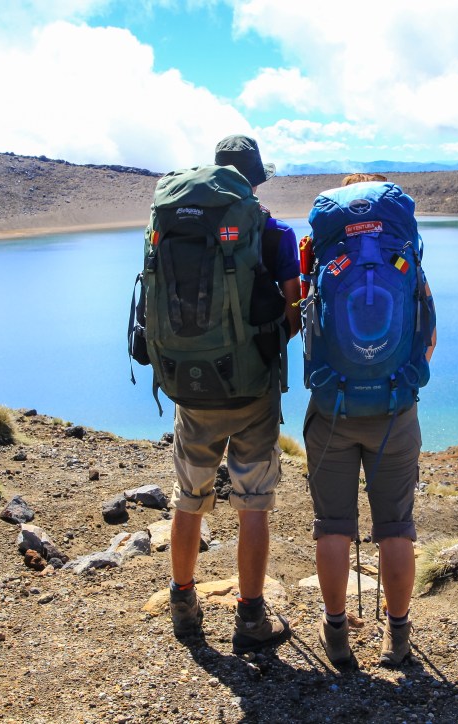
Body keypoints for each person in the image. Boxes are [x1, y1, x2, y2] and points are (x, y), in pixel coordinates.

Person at [167, 135, 301, 654]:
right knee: (253, 505)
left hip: (192, 390)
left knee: (188, 498)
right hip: (252, 391)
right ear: (257, 178)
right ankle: (250, 618)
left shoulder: (179, 222)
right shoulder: (276, 233)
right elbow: (293, 313)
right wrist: (262, 345)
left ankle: (183, 604)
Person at [303, 174, 436, 668]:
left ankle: (335, 633)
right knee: (395, 528)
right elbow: (428, 336)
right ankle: (397, 637)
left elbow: (307, 327)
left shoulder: (326, 258)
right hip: (395, 412)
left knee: (333, 526)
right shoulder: (405, 261)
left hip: (332, 409)